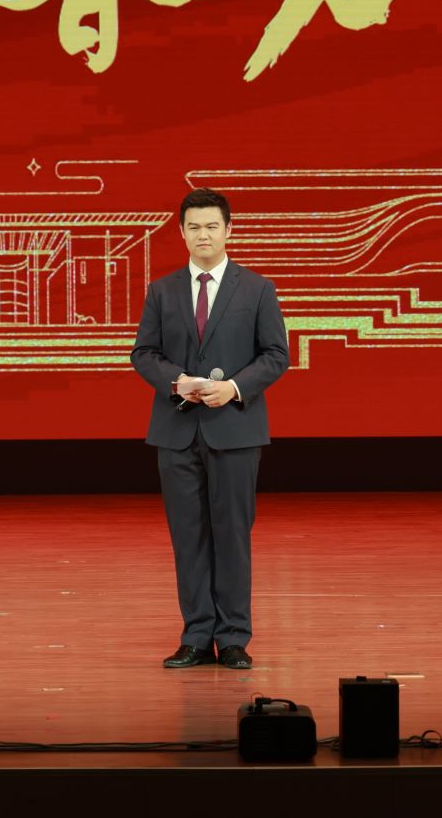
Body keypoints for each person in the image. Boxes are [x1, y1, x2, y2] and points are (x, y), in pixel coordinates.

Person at [130, 188, 289, 669]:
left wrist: (234, 388)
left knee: (232, 535)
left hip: (235, 430)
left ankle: (234, 637)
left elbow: (275, 355)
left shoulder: (257, 289)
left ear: (228, 230)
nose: (204, 235)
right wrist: (175, 381)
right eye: (194, 227)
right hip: (176, 432)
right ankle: (197, 636)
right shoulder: (161, 291)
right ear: (181, 233)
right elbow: (144, 353)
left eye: (212, 226)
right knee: (188, 537)